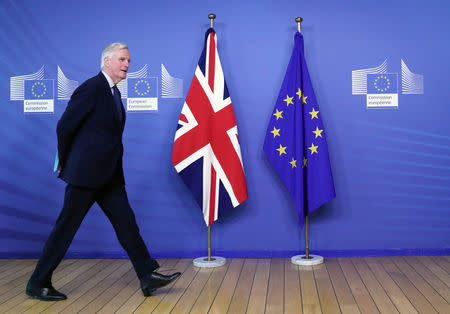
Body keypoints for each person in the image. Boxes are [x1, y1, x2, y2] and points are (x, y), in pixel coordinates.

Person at [26, 43, 180, 301]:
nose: (127, 64)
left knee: (126, 224)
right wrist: (64, 161)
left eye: (129, 60)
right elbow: (64, 127)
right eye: (122, 59)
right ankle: (37, 282)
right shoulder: (92, 88)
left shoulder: (115, 94)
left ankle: (147, 276)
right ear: (107, 61)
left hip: (109, 176)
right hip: (85, 175)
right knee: (66, 228)